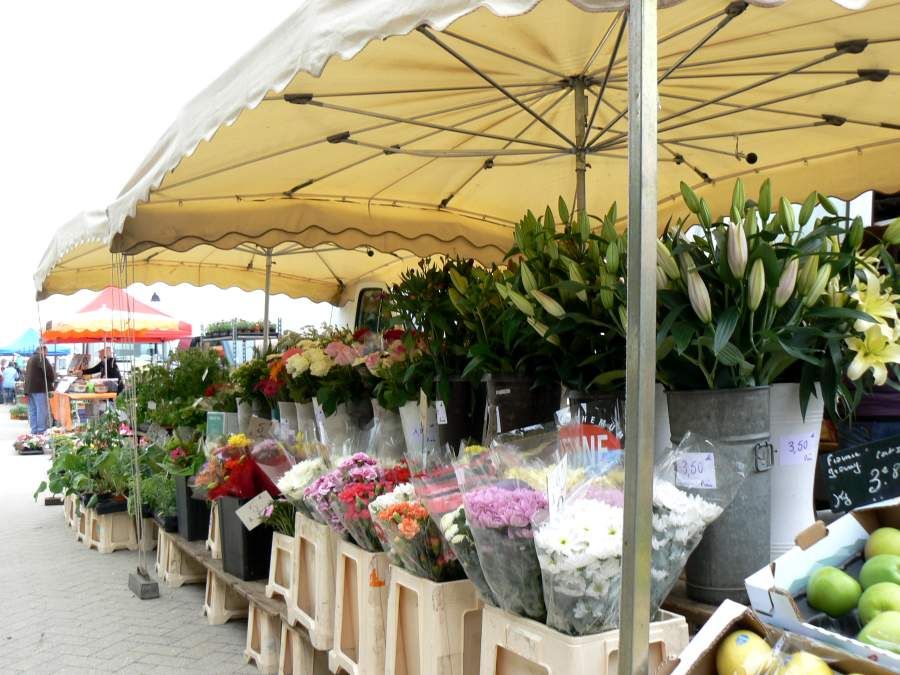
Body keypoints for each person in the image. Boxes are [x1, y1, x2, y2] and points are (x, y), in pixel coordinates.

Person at [24, 346, 55, 434]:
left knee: (33, 410)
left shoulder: (31, 359)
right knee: (41, 410)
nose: (47, 354)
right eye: (46, 352)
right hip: (39, 388)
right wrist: (52, 379)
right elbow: (49, 372)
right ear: (42, 351)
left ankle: (34, 430)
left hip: (30, 389)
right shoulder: (41, 358)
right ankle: (41, 431)